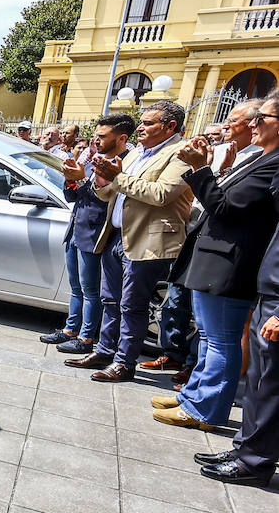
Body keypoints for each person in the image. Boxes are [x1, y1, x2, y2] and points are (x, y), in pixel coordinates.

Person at [155, 105, 279, 431]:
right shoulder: (257, 157)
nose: (253, 125)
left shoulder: (273, 164)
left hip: (231, 264)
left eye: (260, 119)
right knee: (210, 338)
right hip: (215, 257)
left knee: (222, 340)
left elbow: (225, 208)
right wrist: (216, 171)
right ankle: (193, 398)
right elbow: (224, 197)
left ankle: (206, 411)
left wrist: (201, 170)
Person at [66, 102, 192, 383]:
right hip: (117, 236)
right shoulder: (138, 154)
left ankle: (124, 363)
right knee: (110, 300)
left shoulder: (181, 154)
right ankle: (104, 350)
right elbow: (112, 191)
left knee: (132, 306)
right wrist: (96, 181)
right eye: (142, 122)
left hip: (148, 240)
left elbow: (161, 194)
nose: (141, 128)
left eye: (148, 123)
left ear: (170, 127)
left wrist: (117, 178)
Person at [41, 114, 128, 354]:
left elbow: (105, 198)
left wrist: (85, 181)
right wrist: (71, 178)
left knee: (91, 290)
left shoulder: (123, 166)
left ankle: (87, 337)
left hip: (96, 233)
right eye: (96, 136)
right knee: (75, 286)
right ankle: (70, 329)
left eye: (102, 136)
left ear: (120, 138)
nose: (96, 140)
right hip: (76, 228)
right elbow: (74, 196)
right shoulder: (92, 160)